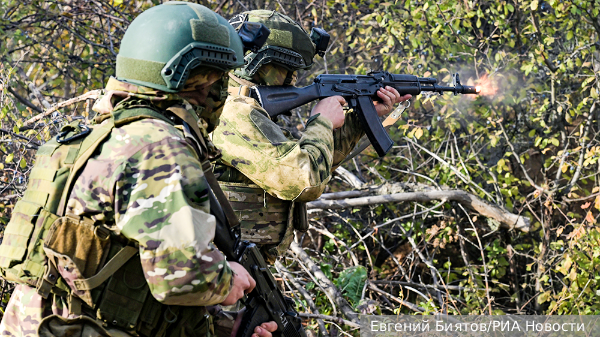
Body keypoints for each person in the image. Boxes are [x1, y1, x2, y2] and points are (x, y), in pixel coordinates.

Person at [0, 3, 276, 337]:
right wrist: (227, 280)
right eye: (218, 79)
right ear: (196, 80)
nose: (220, 93)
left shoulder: (94, 137)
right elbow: (181, 278)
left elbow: (118, 269)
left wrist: (225, 325)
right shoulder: (160, 148)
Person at [212, 10, 411, 262]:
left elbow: (315, 161)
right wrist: (322, 121)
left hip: (239, 262)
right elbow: (303, 180)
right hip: (222, 266)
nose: (291, 79)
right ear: (260, 64)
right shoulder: (233, 112)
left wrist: (362, 116)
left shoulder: (242, 108)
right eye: (285, 69)